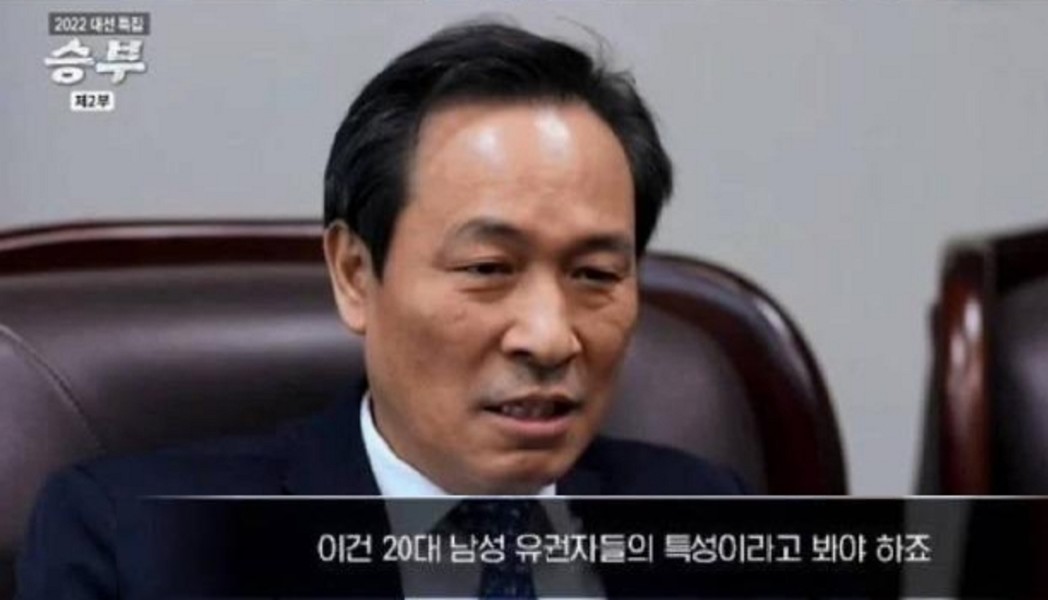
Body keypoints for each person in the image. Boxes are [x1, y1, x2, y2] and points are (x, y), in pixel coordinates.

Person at [16, 21, 744, 599]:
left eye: (595, 274)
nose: (550, 337)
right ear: (355, 275)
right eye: (488, 269)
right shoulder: (133, 543)